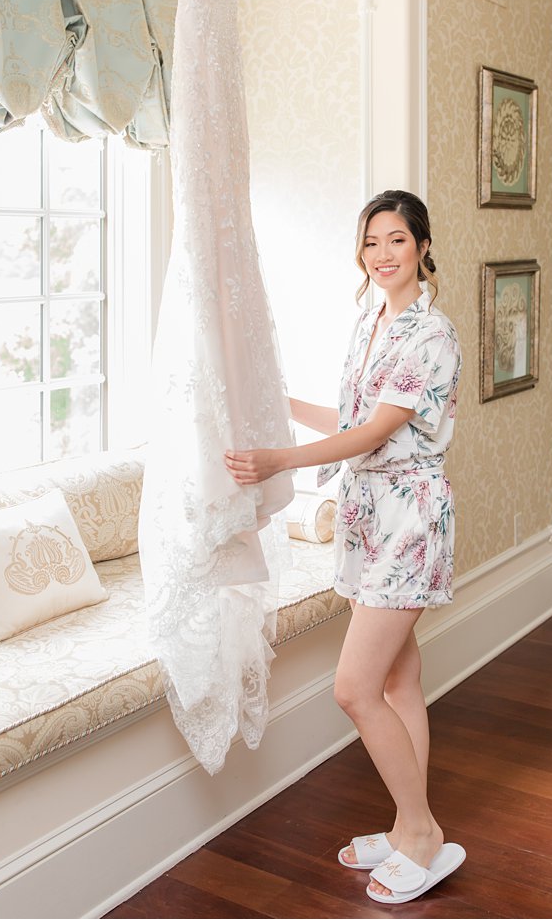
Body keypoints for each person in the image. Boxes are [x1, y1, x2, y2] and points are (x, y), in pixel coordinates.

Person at [225, 190, 465, 903]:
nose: (383, 254)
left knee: (354, 688)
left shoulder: (432, 333)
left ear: (422, 245)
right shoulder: (370, 320)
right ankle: (404, 826)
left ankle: (421, 833)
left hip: (408, 521)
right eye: (371, 243)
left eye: (396, 240)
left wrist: (279, 461)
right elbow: (351, 415)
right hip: (370, 516)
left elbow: (372, 434)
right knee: (399, 682)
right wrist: (277, 402)